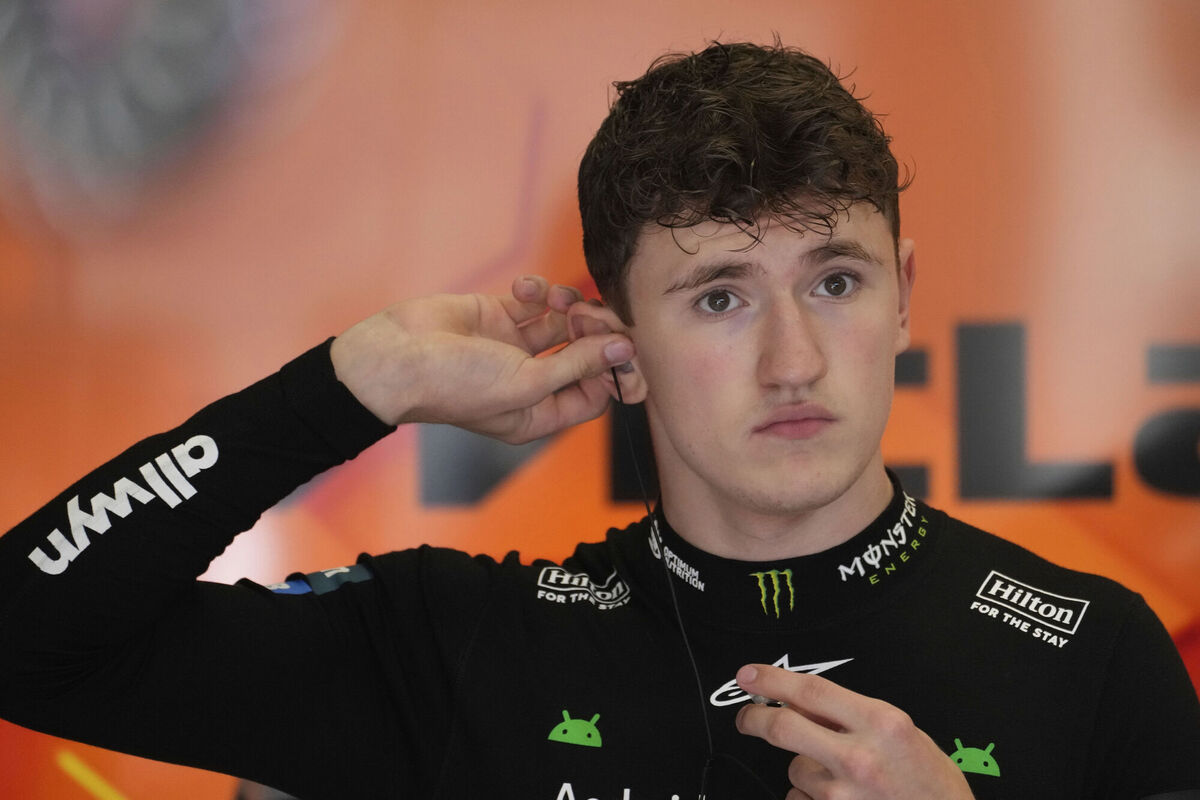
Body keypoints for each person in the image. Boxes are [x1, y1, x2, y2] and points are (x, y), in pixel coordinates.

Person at [1, 41, 1198, 800]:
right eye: (720, 297)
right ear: (619, 332)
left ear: (906, 297)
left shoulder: (1098, 654)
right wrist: (351, 383)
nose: (793, 360)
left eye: (836, 281)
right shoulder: (457, 646)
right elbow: (28, 635)